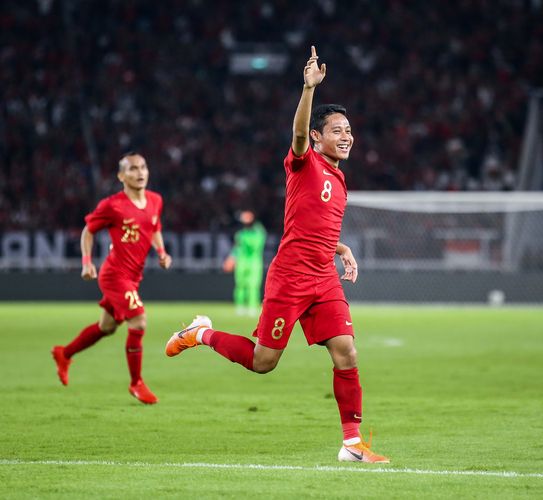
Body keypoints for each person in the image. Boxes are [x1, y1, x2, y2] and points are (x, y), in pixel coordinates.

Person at [165, 46, 389, 463]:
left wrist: (342, 248)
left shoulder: (339, 181)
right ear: (320, 136)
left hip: (323, 277)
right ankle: (201, 333)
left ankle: (352, 444)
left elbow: (315, 226)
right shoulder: (304, 162)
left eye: (349, 130)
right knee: (263, 361)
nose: (347, 136)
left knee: (347, 351)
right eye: (337, 130)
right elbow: (299, 135)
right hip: (290, 277)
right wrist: (308, 89)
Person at [51, 152, 172, 404]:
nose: (139, 173)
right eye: (132, 169)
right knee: (138, 321)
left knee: (106, 327)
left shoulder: (155, 200)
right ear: (121, 176)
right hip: (114, 275)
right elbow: (88, 230)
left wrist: (161, 251)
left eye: (143, 167)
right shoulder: (112, 205)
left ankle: (64, 353)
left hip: (134, 276)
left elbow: (155, 227)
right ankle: (136, 383)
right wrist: (86, 262)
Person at [222, 210, 267, 315]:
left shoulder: (258, 233)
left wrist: (254, 221)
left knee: (253, 285)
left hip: (254, 262)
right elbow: (237, 249)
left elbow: (259, 238)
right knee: (240, 285)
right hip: (242, 262)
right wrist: (231, 259)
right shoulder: (240, 234)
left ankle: (252, 307)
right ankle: (240, 306)